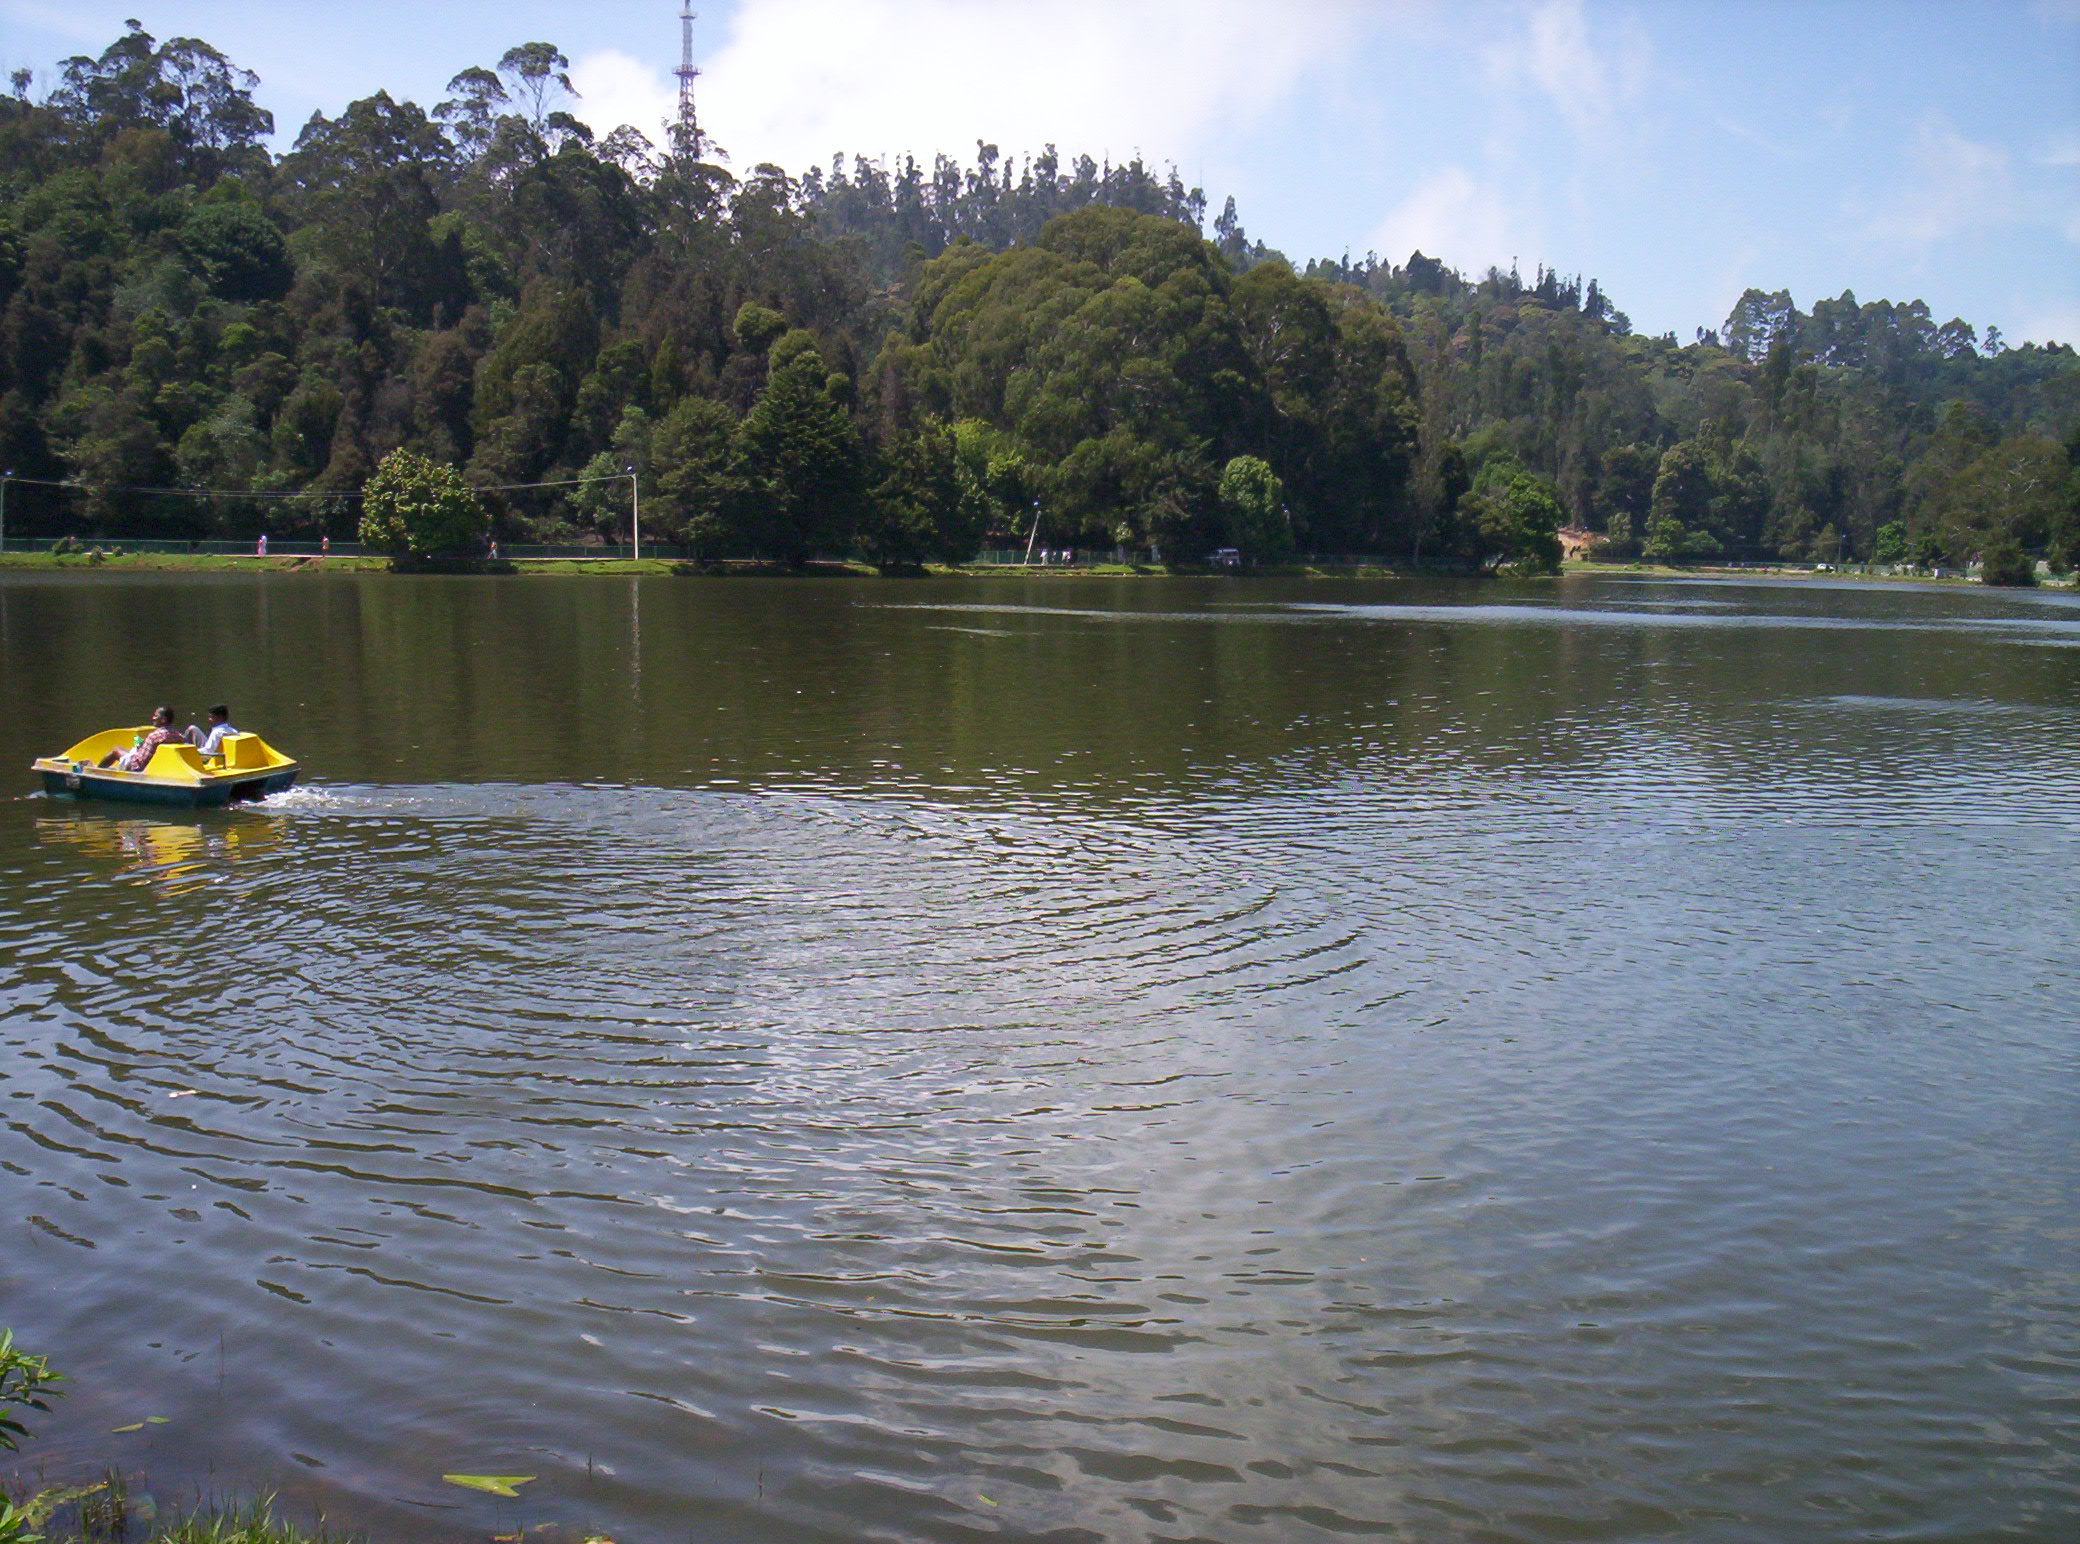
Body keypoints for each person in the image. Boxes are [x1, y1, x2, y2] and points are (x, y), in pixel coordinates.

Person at [99, 706, 177, 770]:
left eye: (156, 716)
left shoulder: (154, 736)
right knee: (136, 742)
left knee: (116, 750)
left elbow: (140, 761)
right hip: (157, 765)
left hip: (138, 767)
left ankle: (96, 770)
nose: (153, 718)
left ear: (163, 719)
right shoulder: (178, 735)